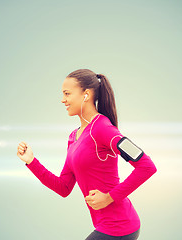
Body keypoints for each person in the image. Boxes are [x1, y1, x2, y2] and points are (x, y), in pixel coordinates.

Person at [17, 69, 157, 240]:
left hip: (119, 226)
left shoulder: (103, 129)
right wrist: (31, 161)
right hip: (104, 226)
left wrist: (109, 197)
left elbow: (147, 166)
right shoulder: (73, 137)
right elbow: (63, 187)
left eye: (67, 94)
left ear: (86, 94)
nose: (63, 100)